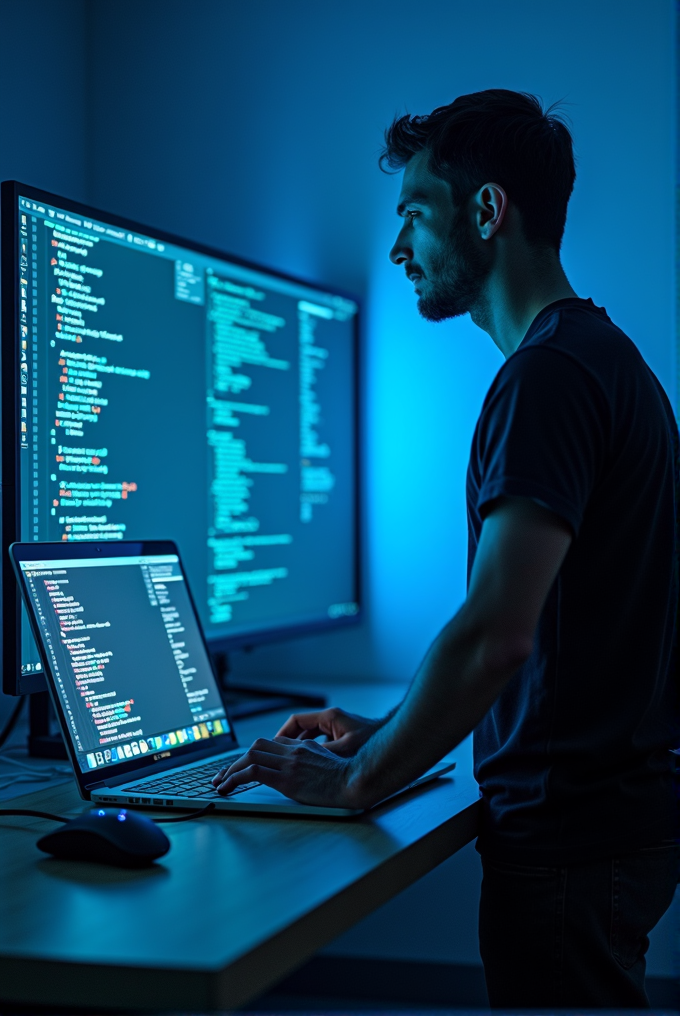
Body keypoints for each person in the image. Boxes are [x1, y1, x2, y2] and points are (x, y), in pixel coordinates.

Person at [213, 90, 679, 1009]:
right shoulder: (605, 359)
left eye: (414, 215)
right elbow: (546, 636)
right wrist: (383, 732)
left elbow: (495, 635)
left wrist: (356, 783)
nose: (399, 250)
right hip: (612, 823)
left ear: (487, 210)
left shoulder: (546, 378)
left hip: (569, 838)